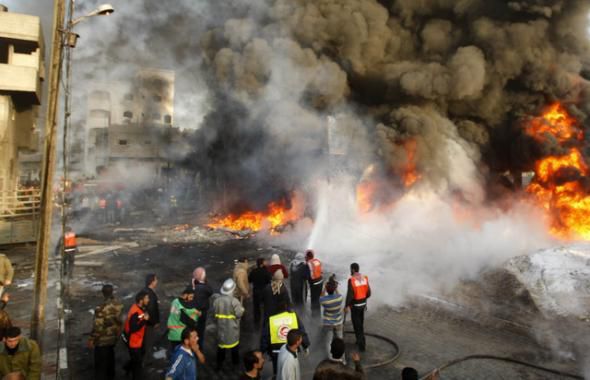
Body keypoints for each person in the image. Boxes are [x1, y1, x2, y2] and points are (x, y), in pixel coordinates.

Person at [260, 301, 309, 375]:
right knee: (292, 370)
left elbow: (265, 337)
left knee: (278, 371)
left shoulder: (271, 319)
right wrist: (305, 345)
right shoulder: (293, 317)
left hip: (276, 352)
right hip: (292, 349)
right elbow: (301, 331)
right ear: (286, 307)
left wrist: (262, 351)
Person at [88, 284, 123, 380]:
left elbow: (98, 327)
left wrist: (91, 339)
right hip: (113, 339)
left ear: (103, 293)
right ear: (112, 292)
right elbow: (120, 322)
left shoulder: (101, 308)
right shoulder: (118, 305)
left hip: (102, 341)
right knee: (110, 361)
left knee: (100, 367)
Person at [213, 278, 245, 371]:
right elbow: (239, 314)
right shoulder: (234, 301)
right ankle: (235, 365)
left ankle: (219, 365)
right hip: (232, 331)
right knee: (234, 349)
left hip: (221, 331)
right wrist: (242, 309)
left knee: (221, 349)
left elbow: (215, 314)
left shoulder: (217, 300)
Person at [123, 290, 150, 379]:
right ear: (141, 300)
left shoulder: (140, 308)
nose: (148, 300)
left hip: (138, 340)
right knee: (137, 366)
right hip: (134, 342)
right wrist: (145, 320)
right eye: (146, 298)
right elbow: (133, 328)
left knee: (138, 358)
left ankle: (127, 367)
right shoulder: (135, 312)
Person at [346, 263, 371, 352]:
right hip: (363, 305)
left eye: (350, 269)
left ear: (353, 269)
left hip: (355, 307)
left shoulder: (351, 280)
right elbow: (369, 293)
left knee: (357, 326)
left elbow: (350, 296)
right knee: (360, 323)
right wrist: (363, 299)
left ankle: (362, 346)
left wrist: (346, 306)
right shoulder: (365, 278)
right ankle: (358, 340)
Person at [319, 276, 344, 358]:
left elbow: (321, 296)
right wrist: (335, 287)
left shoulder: (323, 300)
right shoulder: (339, 298)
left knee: (328, 342)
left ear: (327, 290)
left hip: (328, 323)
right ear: (334, 289)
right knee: (340, 341)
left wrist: (324, 287)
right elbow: (338, 293)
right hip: (338, 322)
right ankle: (342, 359)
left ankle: (330, 358)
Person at [191, 267, 213, 347]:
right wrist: (205, 282)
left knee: (192, 329)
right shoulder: (205, 287)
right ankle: (199, 346)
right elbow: (210, 291)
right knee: (200, 330)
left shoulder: (192, 286)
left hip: (192, 311)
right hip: (202, 312)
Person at [142, 273, 160, 365]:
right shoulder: (151, 294)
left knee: (145, 340)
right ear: (152, 282)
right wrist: (155, 322)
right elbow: (152, 310)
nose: (157, 281)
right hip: (149, 323)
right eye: (156, 280)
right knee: (148, 341)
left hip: (144, 321)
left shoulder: (145, 291)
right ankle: (146, 360)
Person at [248, 257, 271, 324]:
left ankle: (257, 320)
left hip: (256, 291)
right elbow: (269, 281)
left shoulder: (253, 271)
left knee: (256, 307)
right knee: (266, 306)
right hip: (264, 291)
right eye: (264, 262)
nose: (266, 263)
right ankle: (266, 320)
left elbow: (249, 280)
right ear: (262, 264)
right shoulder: (266, 271)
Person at [304, 250, 323, 316]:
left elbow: (306, 276)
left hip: (314, 284)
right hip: (320, 282)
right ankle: (319, 313)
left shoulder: (308, 264)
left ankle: (314, 316)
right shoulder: (317, 261)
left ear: (308, 257)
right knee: (318, 299)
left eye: (305, 256)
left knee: (314, 300)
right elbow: (321, 271)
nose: (305, 258)